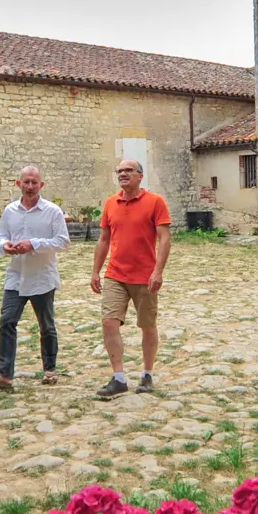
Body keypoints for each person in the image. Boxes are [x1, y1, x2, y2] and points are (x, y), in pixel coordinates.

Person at [0, 166, 68, 390]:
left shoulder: (52, 211)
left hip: (42, 277)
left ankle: (49, 369)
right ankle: (5, 375)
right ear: (18, 184)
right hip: (16, 276)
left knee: (46, 326)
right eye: (26, 182)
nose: (30, 187)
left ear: (42, 185)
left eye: (34, 183)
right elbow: (1, 237)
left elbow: (63, 241)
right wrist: (5, 246)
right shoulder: (10, 211)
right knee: (7, 322)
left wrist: (34, 244)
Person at [91, 157, 171, 398]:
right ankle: (118, 378)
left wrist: (158, 271)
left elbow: (165, 238)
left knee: (147, 325)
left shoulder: (155, 202)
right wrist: (96, 271)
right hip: (115, 274)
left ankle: (147, 374)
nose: (123, 174)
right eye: (119, 171)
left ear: (140, 176)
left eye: (128, 170)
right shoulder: (110, 203)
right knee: (109, 322)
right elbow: (104, 239)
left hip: (145, 277)